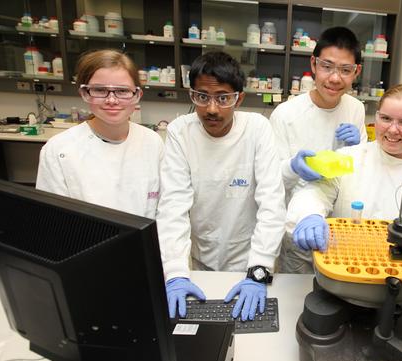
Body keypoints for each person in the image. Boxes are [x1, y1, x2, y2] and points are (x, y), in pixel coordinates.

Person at [156, 51, 285, 321]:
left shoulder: (257, 129)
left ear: (239, 98)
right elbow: (173, 207)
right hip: (198, 260)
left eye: (223, 98)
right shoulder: (181, 130)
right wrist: (176, 274)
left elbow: (271, 203)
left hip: (248, 258)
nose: (211, 109)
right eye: (202, 97)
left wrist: (258, 271)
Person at [287, 83, 402, 259]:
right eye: (386, 119)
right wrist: (309, 215)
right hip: (344, 270)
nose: (393, 129)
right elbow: (314, 194)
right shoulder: (348, 158)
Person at [270, 26, 368, 273]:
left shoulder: (355, 108)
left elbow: (363, 170)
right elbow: (271, 182)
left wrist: (360, 147)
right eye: (327, 66)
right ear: (313, 64)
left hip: (342, 230)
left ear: (357, 71)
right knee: (298, 300)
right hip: (298, 230)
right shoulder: (286, 114)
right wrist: (293, 168)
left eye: (345, 70)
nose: (335, 78)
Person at [36, 49, 163, 219]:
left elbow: (164, 208)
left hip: (144, 243)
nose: (112, 100)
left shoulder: (152, 142)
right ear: (84, 93)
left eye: (122, 91)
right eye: (100, 90)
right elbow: (51, 219)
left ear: (137, 95)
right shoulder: (59, 149)